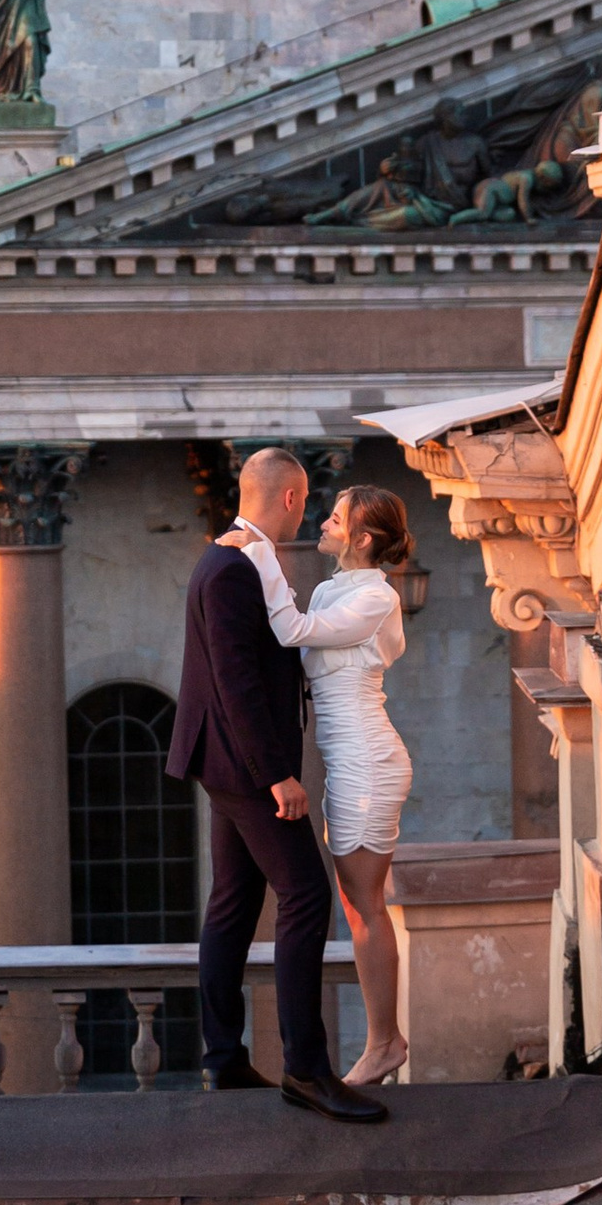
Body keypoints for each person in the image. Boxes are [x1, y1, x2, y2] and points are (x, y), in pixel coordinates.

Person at [167, 448, 386, 1122]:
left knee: (233, 901)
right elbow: (235, 684)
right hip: (245, 767)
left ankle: (225, 1058)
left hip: (223, 762)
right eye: (308, 502)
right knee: (306, 896)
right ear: (292, 498)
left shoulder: (233, 556)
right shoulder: (234, 566)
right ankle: (306, 1069)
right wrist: (278, 777)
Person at [221, 482, 418, 1086]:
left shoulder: (377, 598)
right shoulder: (336, 588)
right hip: (347, 763)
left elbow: (293, 631)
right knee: (358, 909)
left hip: (368, 763)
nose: (323, 525)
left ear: (361, 538)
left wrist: (257, 554)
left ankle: (385, 1043)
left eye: (336, 519)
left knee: (364, 908)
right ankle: (384, 1040)